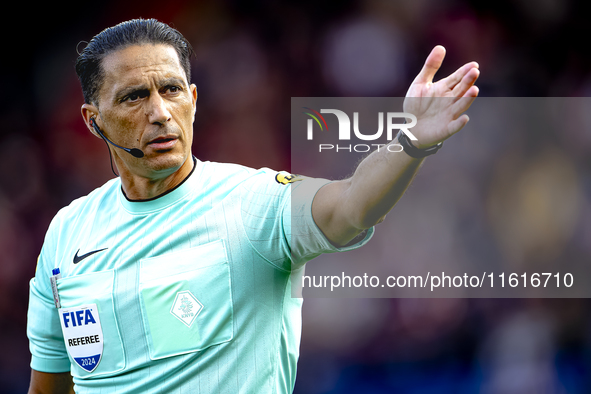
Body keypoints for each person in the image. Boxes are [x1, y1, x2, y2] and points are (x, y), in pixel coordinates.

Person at [27, 18, 479, 394]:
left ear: (194, 100)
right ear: (93, 120)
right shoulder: (68, 233)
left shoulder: (251, 203)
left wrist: (412, 141)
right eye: (134, 97)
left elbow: (350, 207)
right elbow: (49, 386)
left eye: (172, 90)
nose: (161, 112)